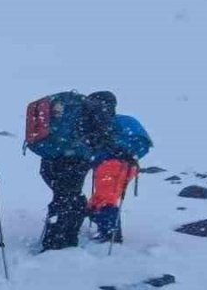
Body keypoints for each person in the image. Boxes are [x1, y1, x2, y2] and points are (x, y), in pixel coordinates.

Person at [40, 91, 116, 251]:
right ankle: (60, 242)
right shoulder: (99, 111)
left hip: (51, 158)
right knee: (70, 199)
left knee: (63, 198)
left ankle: (56, 239)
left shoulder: (75, 108)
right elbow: (104, 138)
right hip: (75, 161)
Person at [87, 114, 148, 243]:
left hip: (110, 164)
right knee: (104, 198)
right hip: (129, 165)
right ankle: (107, 231)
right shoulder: (124, 121)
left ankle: (110, 235)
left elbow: (94, 143)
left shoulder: (104, 122)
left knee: (105, 200)